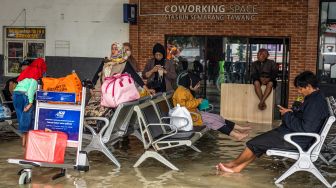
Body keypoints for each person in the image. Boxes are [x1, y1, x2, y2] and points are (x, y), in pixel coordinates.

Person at [216, 71, 329, 173]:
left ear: (308, 86)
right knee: (259, 143)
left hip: (297, 140)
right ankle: (237, 167)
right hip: (297, 136)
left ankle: (234, 164)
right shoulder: (316, 98)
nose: (299, 92)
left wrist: (287, 115)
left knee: (253, 143)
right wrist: (292, 111)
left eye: (300, 89)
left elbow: (305, 128)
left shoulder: (315, 103)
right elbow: (307, 119)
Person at [86, 42, 154, 122]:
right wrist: (91, 87)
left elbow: (135, 76)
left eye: (116, 49)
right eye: (112, 48)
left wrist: (147, 89)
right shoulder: (106, 61)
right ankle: (91, 129)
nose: (113, 51)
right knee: (91, 112)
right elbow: (97, 75)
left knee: (106, 114)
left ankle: (104, 130)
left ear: (120, 50)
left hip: (112, 93)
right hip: (98, 90)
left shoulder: (124, 63)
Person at [173, 72, 251, 141]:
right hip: (190, 117)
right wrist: (198, 101)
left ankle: (239, 129)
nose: (199, 86)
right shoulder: (181, 92)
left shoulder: (184, 90)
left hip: (194, 114)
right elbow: (183, 106)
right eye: (197, 84)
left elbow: (188, 104)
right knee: (213, 121)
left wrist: (198, 102)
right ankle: (236, 135)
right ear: (190, 83)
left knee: (217, 117)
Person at [13, 58, 47, 146]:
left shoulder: (27, 71)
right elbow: (31, 91)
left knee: (21, 117)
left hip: (16, 94)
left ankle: (24, 142)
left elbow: (19, 82)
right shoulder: (36, 73)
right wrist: (30, 103)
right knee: (27, 117)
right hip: (25, 95)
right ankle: (26, 144)